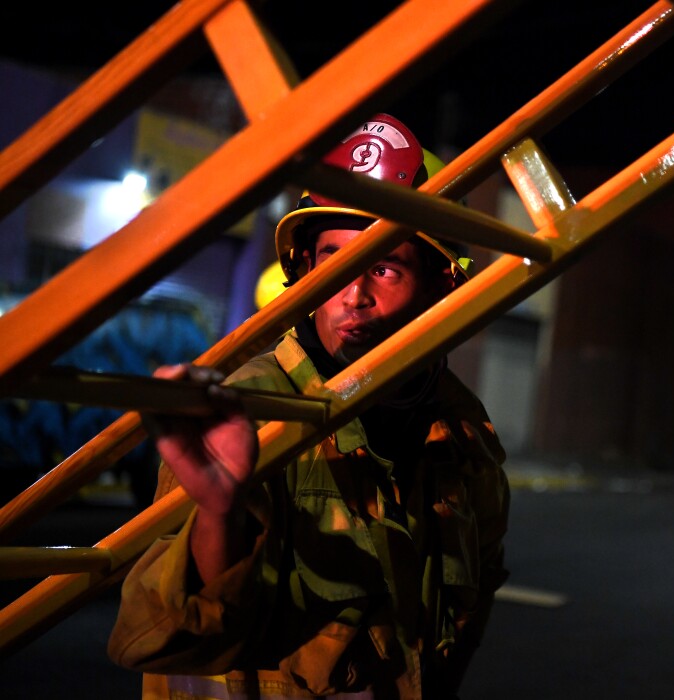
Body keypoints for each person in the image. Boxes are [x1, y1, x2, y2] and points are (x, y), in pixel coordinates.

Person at [108, 113, 512, 699]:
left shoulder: (465, 438)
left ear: (437, 289)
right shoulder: (246, 414)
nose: (354, 295)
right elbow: (158, 637)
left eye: (382, 268)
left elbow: (462, 626)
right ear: (304, 270)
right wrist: (220, 515)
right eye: (334, 261)